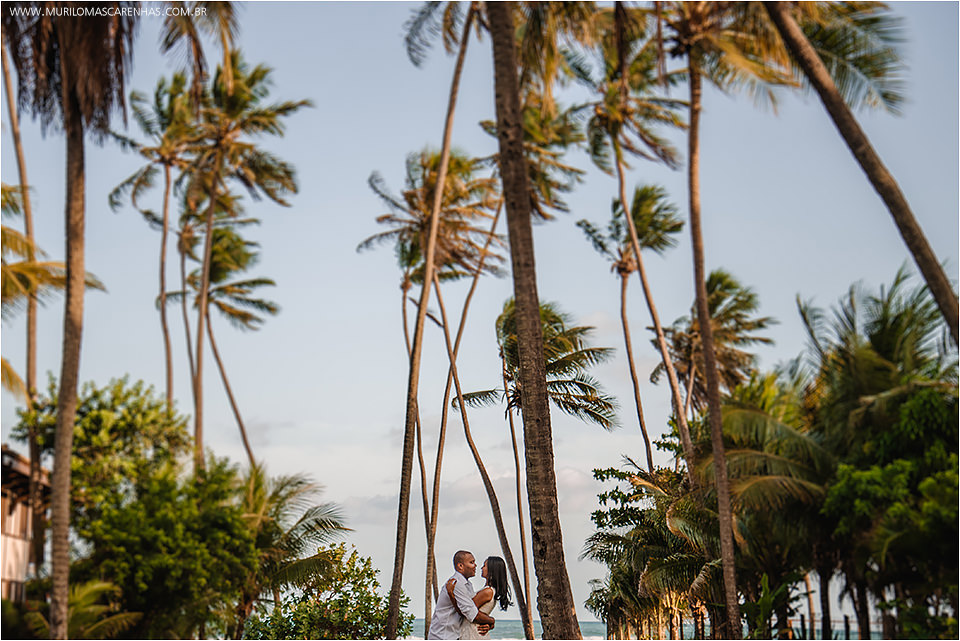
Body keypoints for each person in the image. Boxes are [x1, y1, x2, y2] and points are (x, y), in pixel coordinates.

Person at [427, 550, 496, 640]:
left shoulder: (468, 585)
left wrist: (488, 624)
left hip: (452, 635)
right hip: (443, 636)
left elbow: (470, 610)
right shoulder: (457, 583)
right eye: (471, 562)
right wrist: (491, 621)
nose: (475, 565)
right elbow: (472, 614)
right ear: (460, 566)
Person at [448, 556, 513, 640]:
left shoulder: (487, 592)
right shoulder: (489, 590)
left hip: (473, 632)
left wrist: (451, 595)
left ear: (491, 570)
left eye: (484, 566)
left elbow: (465, 612)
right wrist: (490, 622)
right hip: (474, 631)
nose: (481, 568)